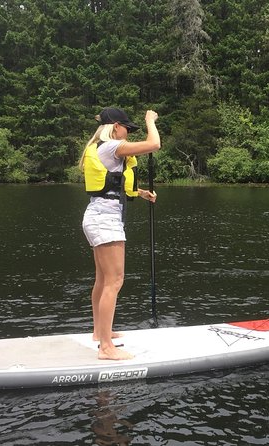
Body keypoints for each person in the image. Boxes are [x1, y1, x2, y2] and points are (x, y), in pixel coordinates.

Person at [79, 107, 161, 360]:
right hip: (104, 221)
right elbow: (154, 144)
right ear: (116, 127)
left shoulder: (105, 149)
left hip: (98, 216)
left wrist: (141, 192)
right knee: (115, 281)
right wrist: (150, 120)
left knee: (103, 280)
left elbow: (113, 187)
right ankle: (106, 348)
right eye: (127, 128)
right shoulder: (111, 146)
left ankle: (99, 333)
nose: (127, 133)